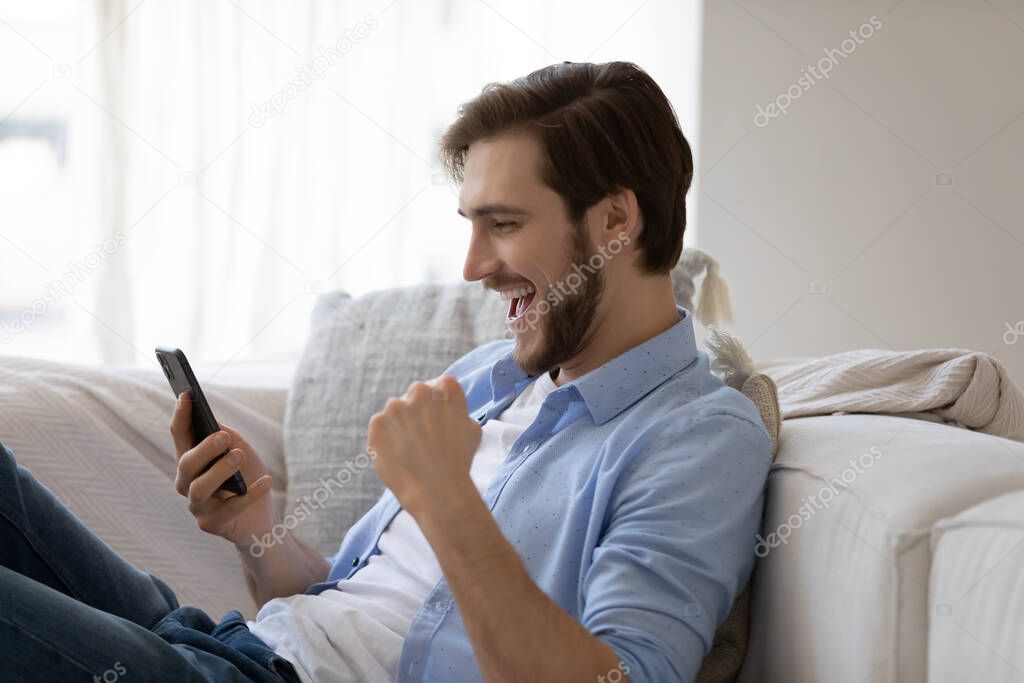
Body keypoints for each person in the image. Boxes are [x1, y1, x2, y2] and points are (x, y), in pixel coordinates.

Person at [0, 61, 772, 683]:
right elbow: (355, 605)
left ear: (614, 221)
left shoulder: (698, 435)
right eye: (470, 226)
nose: (474, 267)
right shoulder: (490, 377)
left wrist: (447, 499)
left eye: (502, 225)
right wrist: (257, 532)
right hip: (227, 643)